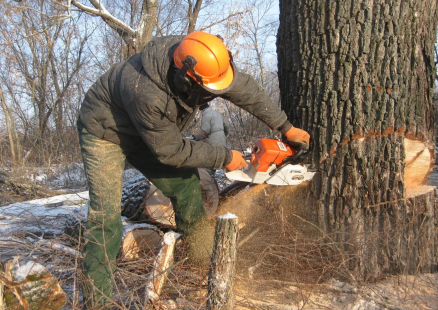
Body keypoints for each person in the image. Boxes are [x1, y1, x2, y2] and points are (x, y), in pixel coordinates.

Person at [77, 31, 310, 308]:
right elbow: (170, 150)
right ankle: (97, 301)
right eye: (209, 91)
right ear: (186, 77)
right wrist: (225, 157)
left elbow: (244, 89)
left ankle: (201, 260)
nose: (212, 96)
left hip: (150, 130)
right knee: (105, 216)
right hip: (105, 131)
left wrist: (285, 126)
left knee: (187, 186)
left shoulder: (203, 60)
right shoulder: (146, 91)